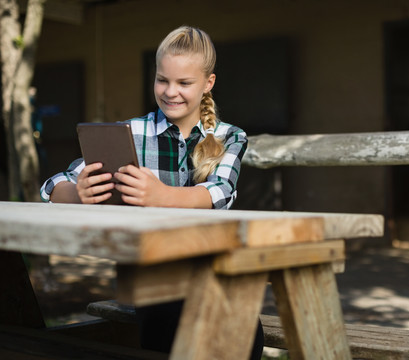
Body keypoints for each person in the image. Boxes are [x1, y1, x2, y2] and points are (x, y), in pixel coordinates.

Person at [39, 25, 263, 358]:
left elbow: (220, 193)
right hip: (154, 278)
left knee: (245, 334)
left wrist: (161, 196)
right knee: (167, 318)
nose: (171, 92)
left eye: (184, 83)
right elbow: (52, 186)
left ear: (208, 83)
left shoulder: (231, 136)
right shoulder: (130, 133)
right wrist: (79, 192)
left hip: (214, 270)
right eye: (162, 80)